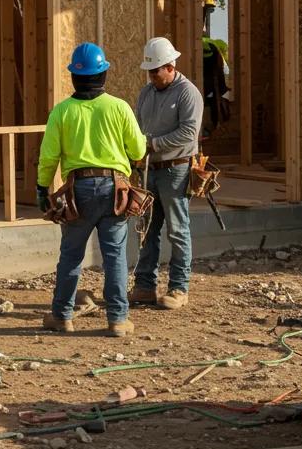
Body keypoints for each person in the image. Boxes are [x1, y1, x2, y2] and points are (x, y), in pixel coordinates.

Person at [37, 43, 146, 338]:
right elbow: (138, 149)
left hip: (78, 191)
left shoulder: (61, 112)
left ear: (74, 76)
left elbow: (48, 157)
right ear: (104, 75)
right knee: (114, 256)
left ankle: (62, 317)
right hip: (115, 189)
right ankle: (118, 320)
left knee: (71, 255)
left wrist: (41, 189)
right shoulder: (119, 107)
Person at [132, 38, 203, 310]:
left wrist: (152, 144)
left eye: (156, 71)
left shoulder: (188, 93)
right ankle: (145, 286)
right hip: (150, 169)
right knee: (147, 230)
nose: (152, 77)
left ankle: (178, 287)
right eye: (150, 72)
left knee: (177, 229)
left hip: (175, 169)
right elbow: (139, 126)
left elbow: (188, 132)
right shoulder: (147, 93)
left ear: (170, 67)